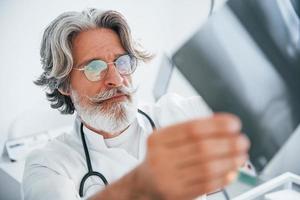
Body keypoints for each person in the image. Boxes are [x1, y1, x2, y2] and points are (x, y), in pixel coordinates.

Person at [22, 8, 250, 200]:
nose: (116, 79)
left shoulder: (178, 114)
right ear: (63, 84)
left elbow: (256, 119)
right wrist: (141, 184)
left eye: (122, 62)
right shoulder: (48, 164)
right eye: (94, 68)